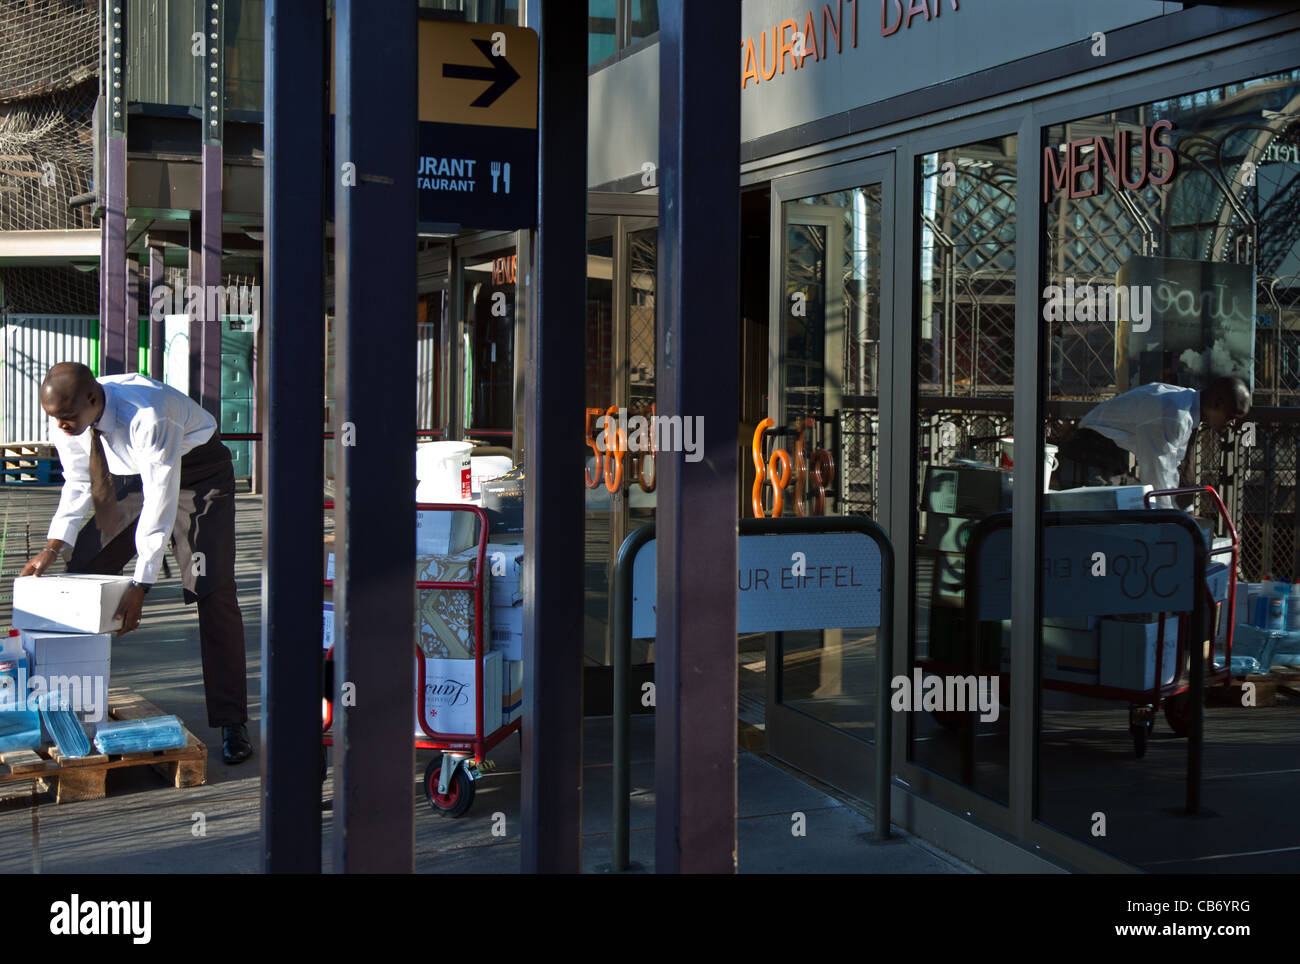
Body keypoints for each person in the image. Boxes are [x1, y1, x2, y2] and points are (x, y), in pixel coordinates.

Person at [19, 362, 253, 765]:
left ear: (94, 401)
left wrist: (140, 585)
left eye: (68, 418)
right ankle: (71, 706)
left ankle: (232, 721)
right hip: (134, 474)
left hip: (200, 474)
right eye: (55, 419)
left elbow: (161, 505)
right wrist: (53, 547)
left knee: (211, 588)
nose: (60, 427)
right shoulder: (69, 419)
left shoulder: (149, 415)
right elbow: (77, 482)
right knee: (84, 566)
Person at [1053, 376, 1252, 503]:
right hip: (1089, 458)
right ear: (1217, 403)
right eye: (1232, 417)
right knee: (1117, 528)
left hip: (1104, 458)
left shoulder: (1185, 407)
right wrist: (1178, 522)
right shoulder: (1173, 414)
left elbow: (1172, 472)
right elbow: (1159, 475)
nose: (1232, 425)